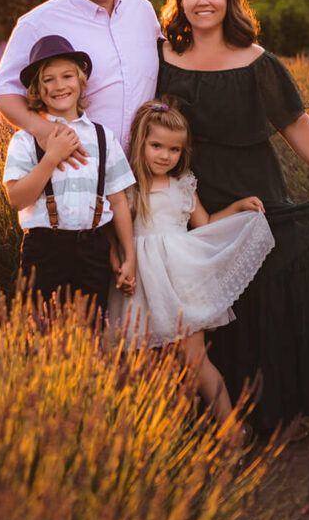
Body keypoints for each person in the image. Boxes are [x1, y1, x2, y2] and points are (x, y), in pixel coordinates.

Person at [153, 0, 309, 436]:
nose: (202, 2)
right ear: (179, 3)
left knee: (260, 290)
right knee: (199, 297)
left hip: (253, 183)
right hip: (187, 191)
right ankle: (208, 413)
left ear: (229, 0)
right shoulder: (161, 61)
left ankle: (266, 410)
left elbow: (294, 121)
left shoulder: (259, 62)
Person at [108, 99, 274, 427]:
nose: (164, 155)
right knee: (146, 363)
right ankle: (160, 433)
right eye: (156, 146)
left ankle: (230, 433)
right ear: (141, 142)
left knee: (195, 358)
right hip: (140, 282)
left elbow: (206, 222)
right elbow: (112, 236)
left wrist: (238, 207)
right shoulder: (127, 187)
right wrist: (120, 266)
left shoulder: (183, 184)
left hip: (182, 278)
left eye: (173, 150)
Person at [0, 0, 162, 157]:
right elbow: (3, 90)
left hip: (145, 168)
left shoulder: (141, 10)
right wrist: (46, 132)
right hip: (81, 170)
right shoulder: (39, 22)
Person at [1, 33, 137, 316]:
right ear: (37, 89)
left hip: (93, 249)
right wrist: (51, 156)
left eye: (67, 76)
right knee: (36, 329)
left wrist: (129, 256)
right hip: (44, 249)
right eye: (48, 80)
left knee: (89, 332)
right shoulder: (26, 139)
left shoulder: (102, 137)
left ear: (81, 82)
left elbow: (119, 201)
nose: (59, 86)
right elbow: (16, 198)